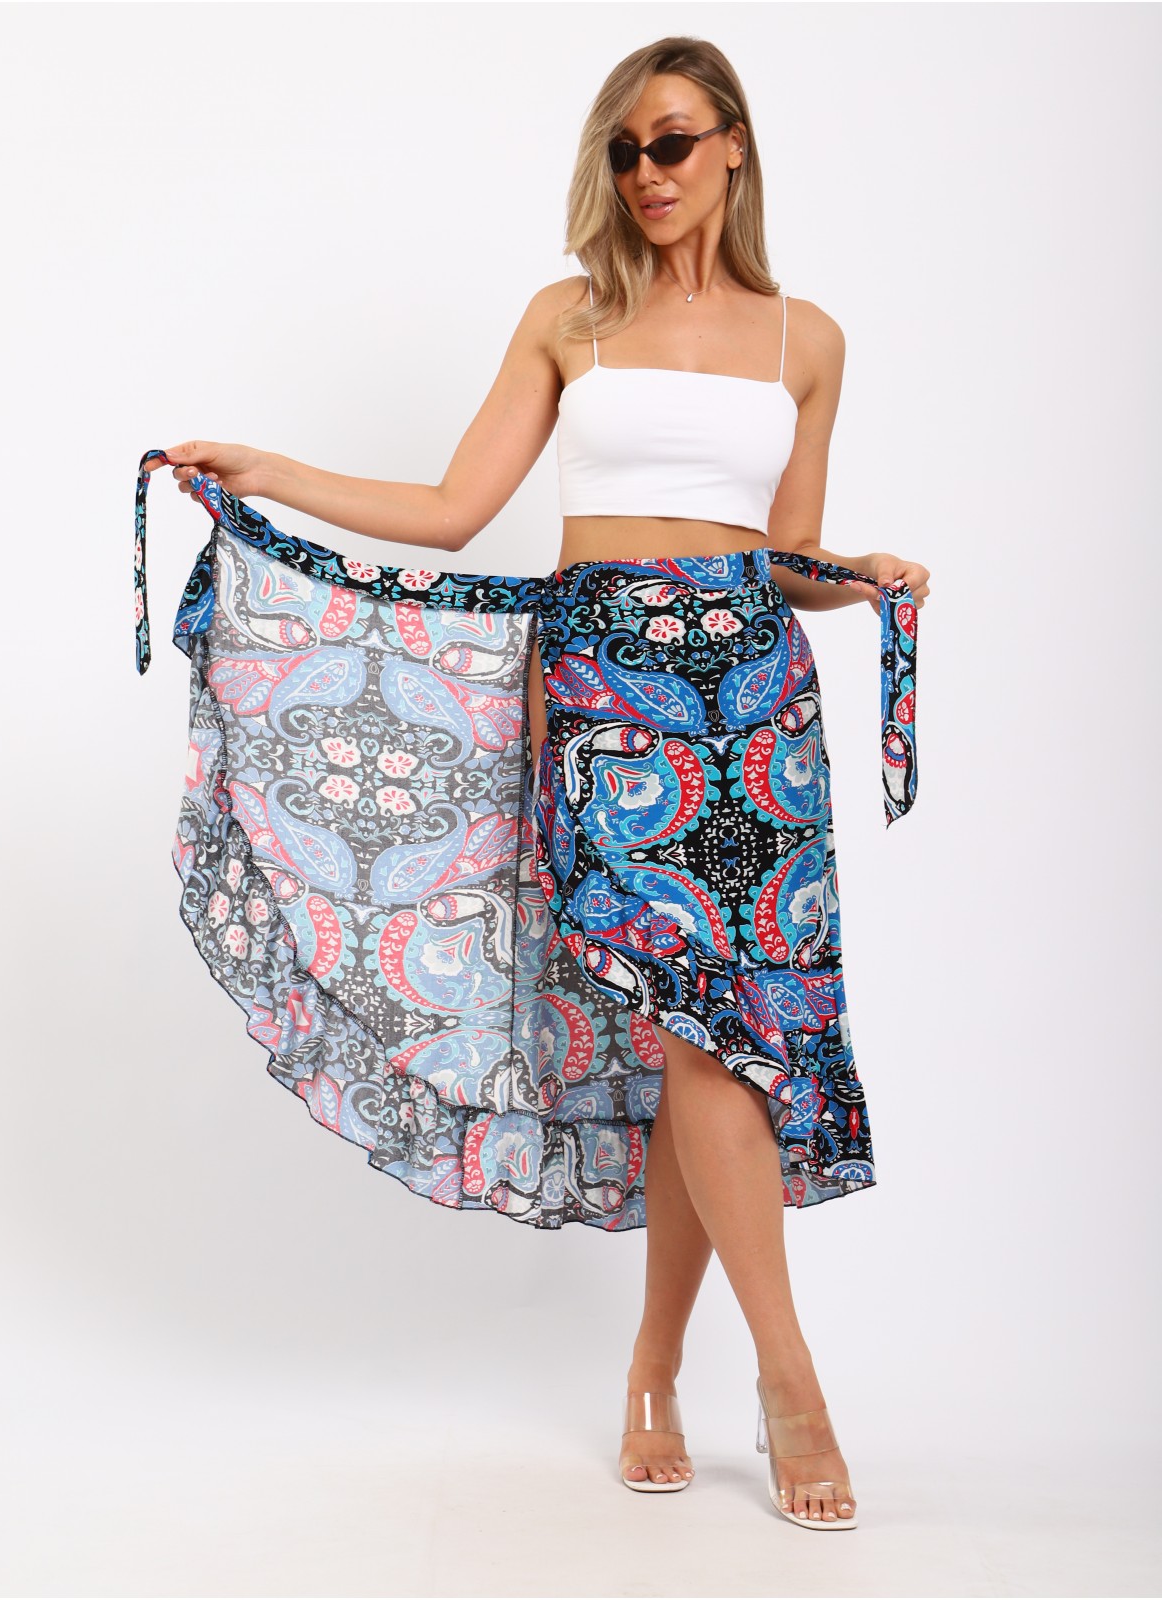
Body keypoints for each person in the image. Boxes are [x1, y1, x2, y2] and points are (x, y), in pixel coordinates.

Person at [141, 35, 930, 1532]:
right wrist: (270, 473)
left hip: (755, 700)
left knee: (715, 1037)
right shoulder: (570, 318)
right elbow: (455, 508)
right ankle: (792, 1381)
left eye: (674, 141)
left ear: (735, 145)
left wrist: (867, 575)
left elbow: (786, 558)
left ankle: (652, 1371)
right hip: (607, 693)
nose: (648, 172)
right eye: (626, 150)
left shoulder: (806, 339)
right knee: (693, 1032)